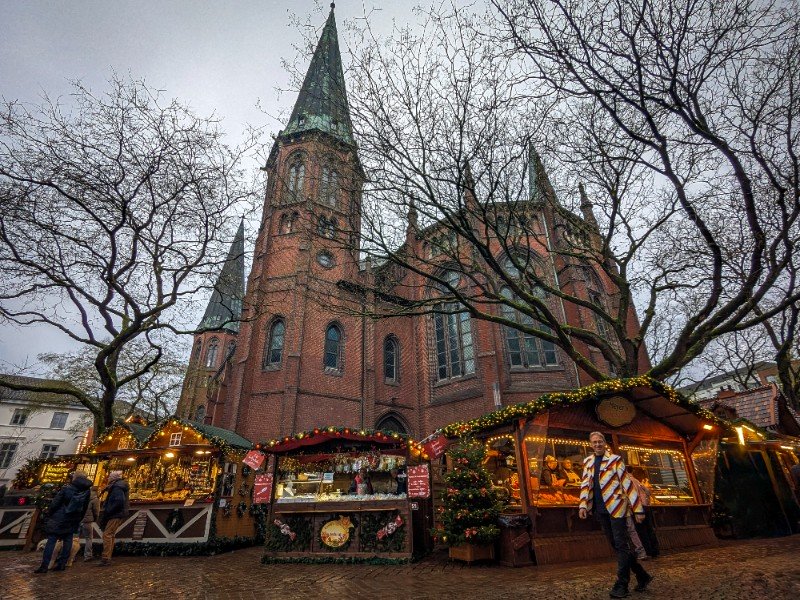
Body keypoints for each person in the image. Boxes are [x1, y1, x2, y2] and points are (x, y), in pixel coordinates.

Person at [578, 432, 652, 598]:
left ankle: (621, 585)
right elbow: (585, 484)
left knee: (620, 545)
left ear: (605, 443)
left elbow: (627, 484)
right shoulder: (588, 462)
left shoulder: (615, 460)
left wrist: (638, 509)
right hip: (600, 509)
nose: (597, 444)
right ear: (590, 444)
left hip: (617, 507)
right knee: (618, 546)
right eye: (594, 442)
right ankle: (642, 576)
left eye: (600, 441)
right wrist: (583, 505)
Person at [33, 471, 92, 574]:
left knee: (51, 541)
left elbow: (56, 503)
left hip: (60, 517)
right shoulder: (86, 491)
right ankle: (62, 564)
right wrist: (79, 517)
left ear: (75, 478)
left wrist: (50, 513)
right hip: (73, 518)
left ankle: (44, 565)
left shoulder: (67, 488)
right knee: (68, 541)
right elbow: (85, 507)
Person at [97, 471, 130, 567]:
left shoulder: (117, 487)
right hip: (118, 513)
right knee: (110, 534)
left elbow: (119, 501)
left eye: (109, 477)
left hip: (115, 514)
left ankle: (106, 557)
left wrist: (109, 510)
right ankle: (107, 556)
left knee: (107, 534)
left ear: (113, 478)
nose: (108, 479)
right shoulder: (118, 486)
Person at [81, 485, 101, 561]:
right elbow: (96, 511)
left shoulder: (83, 497)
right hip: (88, 521)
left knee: (75, 538)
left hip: (80, 520)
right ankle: (88, 555)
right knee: (89, 538)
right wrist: (95, 519)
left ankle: (70, 556)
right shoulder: (95, 500)